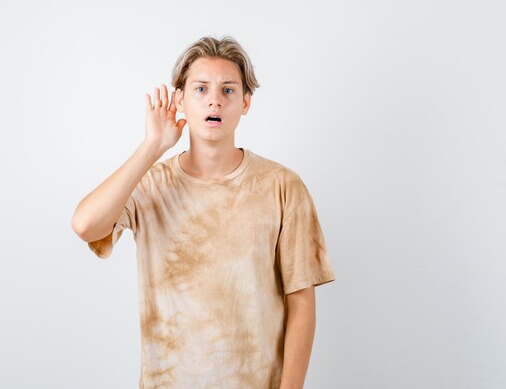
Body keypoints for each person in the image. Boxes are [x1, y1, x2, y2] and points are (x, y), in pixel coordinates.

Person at [71, 35, 336, 389]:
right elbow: (85, 225)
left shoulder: (282, 186)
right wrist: (153, 146)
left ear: (245, 102)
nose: (214, 99)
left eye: (228, 90)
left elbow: (301, 301)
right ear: (179, 99)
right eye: (200, 89)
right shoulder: (151, 184)